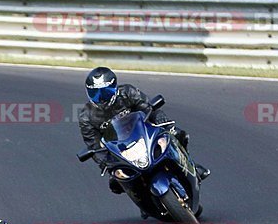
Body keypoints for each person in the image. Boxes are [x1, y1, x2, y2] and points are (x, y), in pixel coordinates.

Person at [78, 66, 211, 195]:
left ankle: (192, 167)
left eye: (105, 92)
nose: (101, 98)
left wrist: (161, 119)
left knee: (178, 134)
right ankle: (143, 199)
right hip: (120, 149)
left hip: (145, 133)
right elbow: (93, 145)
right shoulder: (86, 117)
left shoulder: (127, 92)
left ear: (114, 88)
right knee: (116, 183)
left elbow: (148, 108)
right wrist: (106, 163)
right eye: (95, 94)